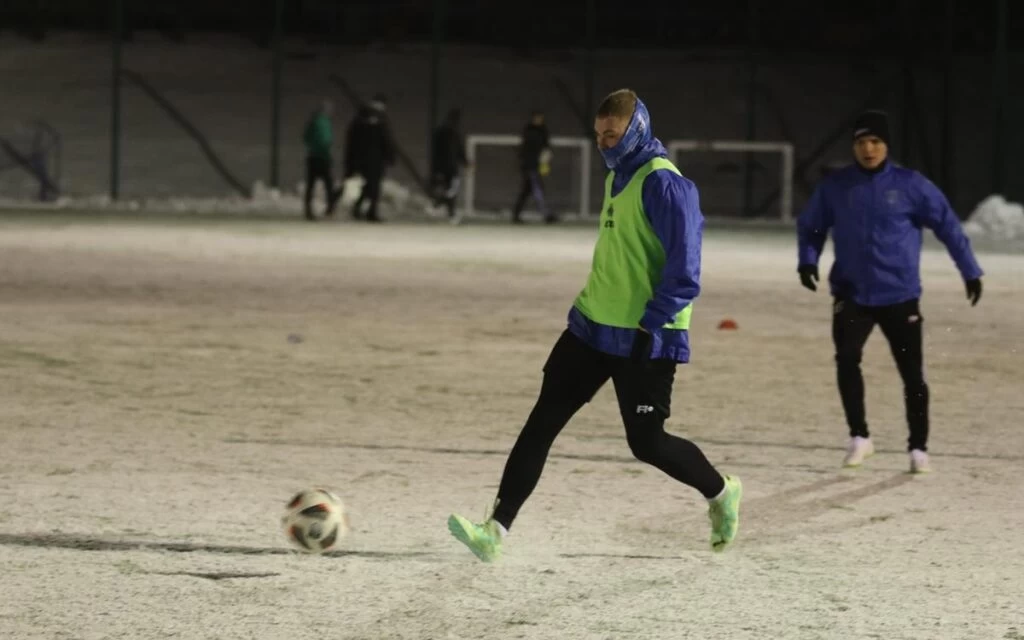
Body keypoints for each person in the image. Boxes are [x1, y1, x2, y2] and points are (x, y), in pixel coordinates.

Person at [446, 89, 742, 563]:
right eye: (599, 134)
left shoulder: (664, 184)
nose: (603, 143)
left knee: (647, 443)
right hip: (591, 327)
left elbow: (686, 271)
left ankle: (721, 492)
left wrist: (651, 323)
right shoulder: (616, 176)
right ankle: (494, 531)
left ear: (637, 129)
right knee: (542, 421)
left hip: (646, 335)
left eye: (612, 134)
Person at [796, 109, 984, 474]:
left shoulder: (912, 185)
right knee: (847, 358)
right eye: (861, 142)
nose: (868, 149)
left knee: (912, 372)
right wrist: (807, 260)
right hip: (851, 294)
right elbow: (811, 226)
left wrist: (970, 271)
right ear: (853, 146)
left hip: (899, 295)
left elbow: (948, 226)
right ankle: (859, 437)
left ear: (887, 145)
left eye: (876, 142)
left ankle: (918, 447)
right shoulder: (836, 187)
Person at [344, 93, 395, 223]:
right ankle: (371, 212)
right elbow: (386, 139)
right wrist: (390, 156)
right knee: (374, 186)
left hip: (362, 158)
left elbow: (352, 139)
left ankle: (359, 208)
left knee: (368, 185)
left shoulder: (360, 118)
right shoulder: (380, 119)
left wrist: (352, 160)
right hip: (376, 158)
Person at [511, 110, 556, 224]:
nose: (539, 120)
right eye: (537, 118)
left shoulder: (543, 130)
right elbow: (527, 149)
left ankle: (516, 214)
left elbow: (546, 147)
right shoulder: (529, 131)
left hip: (536, 165)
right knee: (537, 189)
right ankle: (547, 215)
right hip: (530, 165)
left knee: (527, 191)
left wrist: (545, 159)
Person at [429, 107, 470, 225]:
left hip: (442, 167)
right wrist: (466, 162)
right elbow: (459, 150)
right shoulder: (454, 133)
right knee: (452, 190)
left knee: (449, 190)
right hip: (451, 168)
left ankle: (444, 210)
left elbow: (435, 152)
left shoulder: (440, 132)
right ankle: (440, 207)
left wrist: (435, 168)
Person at [302, 100, 341, 221]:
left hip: (313, 156)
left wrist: (312, 146)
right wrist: (326, 150)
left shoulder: (313, 121)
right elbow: (326, 140)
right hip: (323, 157)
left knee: (311, 184)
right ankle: (330, 207)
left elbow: (306, 137)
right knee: (328, 184)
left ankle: (308, 209)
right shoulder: (324, 122)